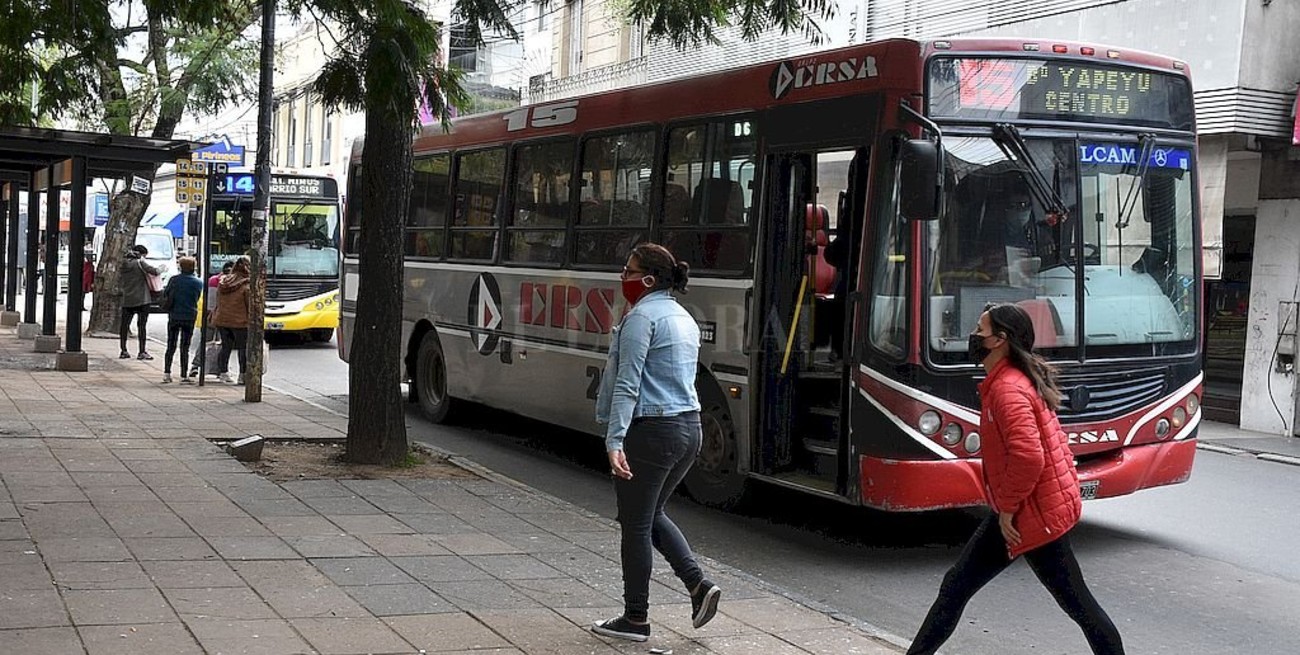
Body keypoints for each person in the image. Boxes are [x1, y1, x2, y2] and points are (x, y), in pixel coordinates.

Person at [905, 303, 1125, 655]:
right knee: (957, 587)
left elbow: (1029, 457)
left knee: (1079, 605)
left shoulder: (1008, 390)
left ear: (1000, 339)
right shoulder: (1008, 381)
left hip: (1030, 515)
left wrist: (1007, 508)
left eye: (980, 329)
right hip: (1030, 509)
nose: (973, 336)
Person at [590, 243, 721, 643]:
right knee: (649, 515)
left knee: (635, 525)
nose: (622, 277)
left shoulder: (641, 318)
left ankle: (635, 618)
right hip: (689, 430)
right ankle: (698, 587)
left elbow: (628, 383)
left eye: (627, 270)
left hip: (651, 432)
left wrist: (614, 440)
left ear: (647, 278)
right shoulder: (683, 317)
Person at [160, 257, 204, 384]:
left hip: (174, 315)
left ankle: (167, 372)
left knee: (171, 344)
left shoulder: (174, 280)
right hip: (190, 315)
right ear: (193, 267)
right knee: (185, 346)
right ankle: (184, 374)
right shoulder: (198, 282)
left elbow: (166, 294)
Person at [212, 256, 251, 385]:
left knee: (226, 346)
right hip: (240, 321)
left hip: (222, 319)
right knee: (242, 348)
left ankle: (223, 373)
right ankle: (243, 375)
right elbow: (249, 305)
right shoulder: (246, 284)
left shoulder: (224, 281)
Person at [190, 261, 232, 379]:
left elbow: (210, 302)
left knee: (207, 341)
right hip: (220, 317)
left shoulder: (214, 280)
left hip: (211, 316)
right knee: (221, 344)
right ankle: (217, 369)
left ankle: (197, 366)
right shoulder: (222, 282)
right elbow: (213, 303)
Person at [119, 244, 159, 360]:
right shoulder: (140, 263)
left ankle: (123, 350)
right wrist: (162, 268)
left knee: (124, 326)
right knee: (142, 326)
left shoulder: (123, 263)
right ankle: (142, 351)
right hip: (142, 298)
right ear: (141, 254)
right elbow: (154, 271)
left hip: (127, 298)